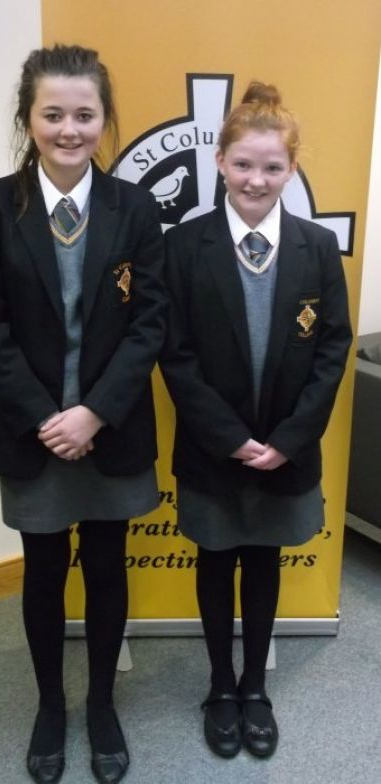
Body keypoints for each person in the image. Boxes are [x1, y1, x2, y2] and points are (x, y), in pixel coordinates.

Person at [0, 45, 166, 784]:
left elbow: (151, 321)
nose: (70, 129)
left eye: (85, 114)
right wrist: (51, 419)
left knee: (108, 565)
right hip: (31, 432)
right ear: (28, 119)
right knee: (44, 570)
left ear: (104, 120)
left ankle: (102, 703)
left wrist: (94, 414)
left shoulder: (135, 208)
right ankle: (51, 704)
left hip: (111, 431)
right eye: (53, 114)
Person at [160, 82, 352, 760]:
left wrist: (288, 440)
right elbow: (175, 354)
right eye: (243, 163)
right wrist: (230, 438)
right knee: (215, 562)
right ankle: (220, 686)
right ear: (220, 162)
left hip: (284, 447)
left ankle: (255, 688)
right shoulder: (184, 246)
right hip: (214, 447)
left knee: (264, 562)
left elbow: (332, 348)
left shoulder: (316, 247)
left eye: (272, 167)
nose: (255, 179)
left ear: (291, 169)